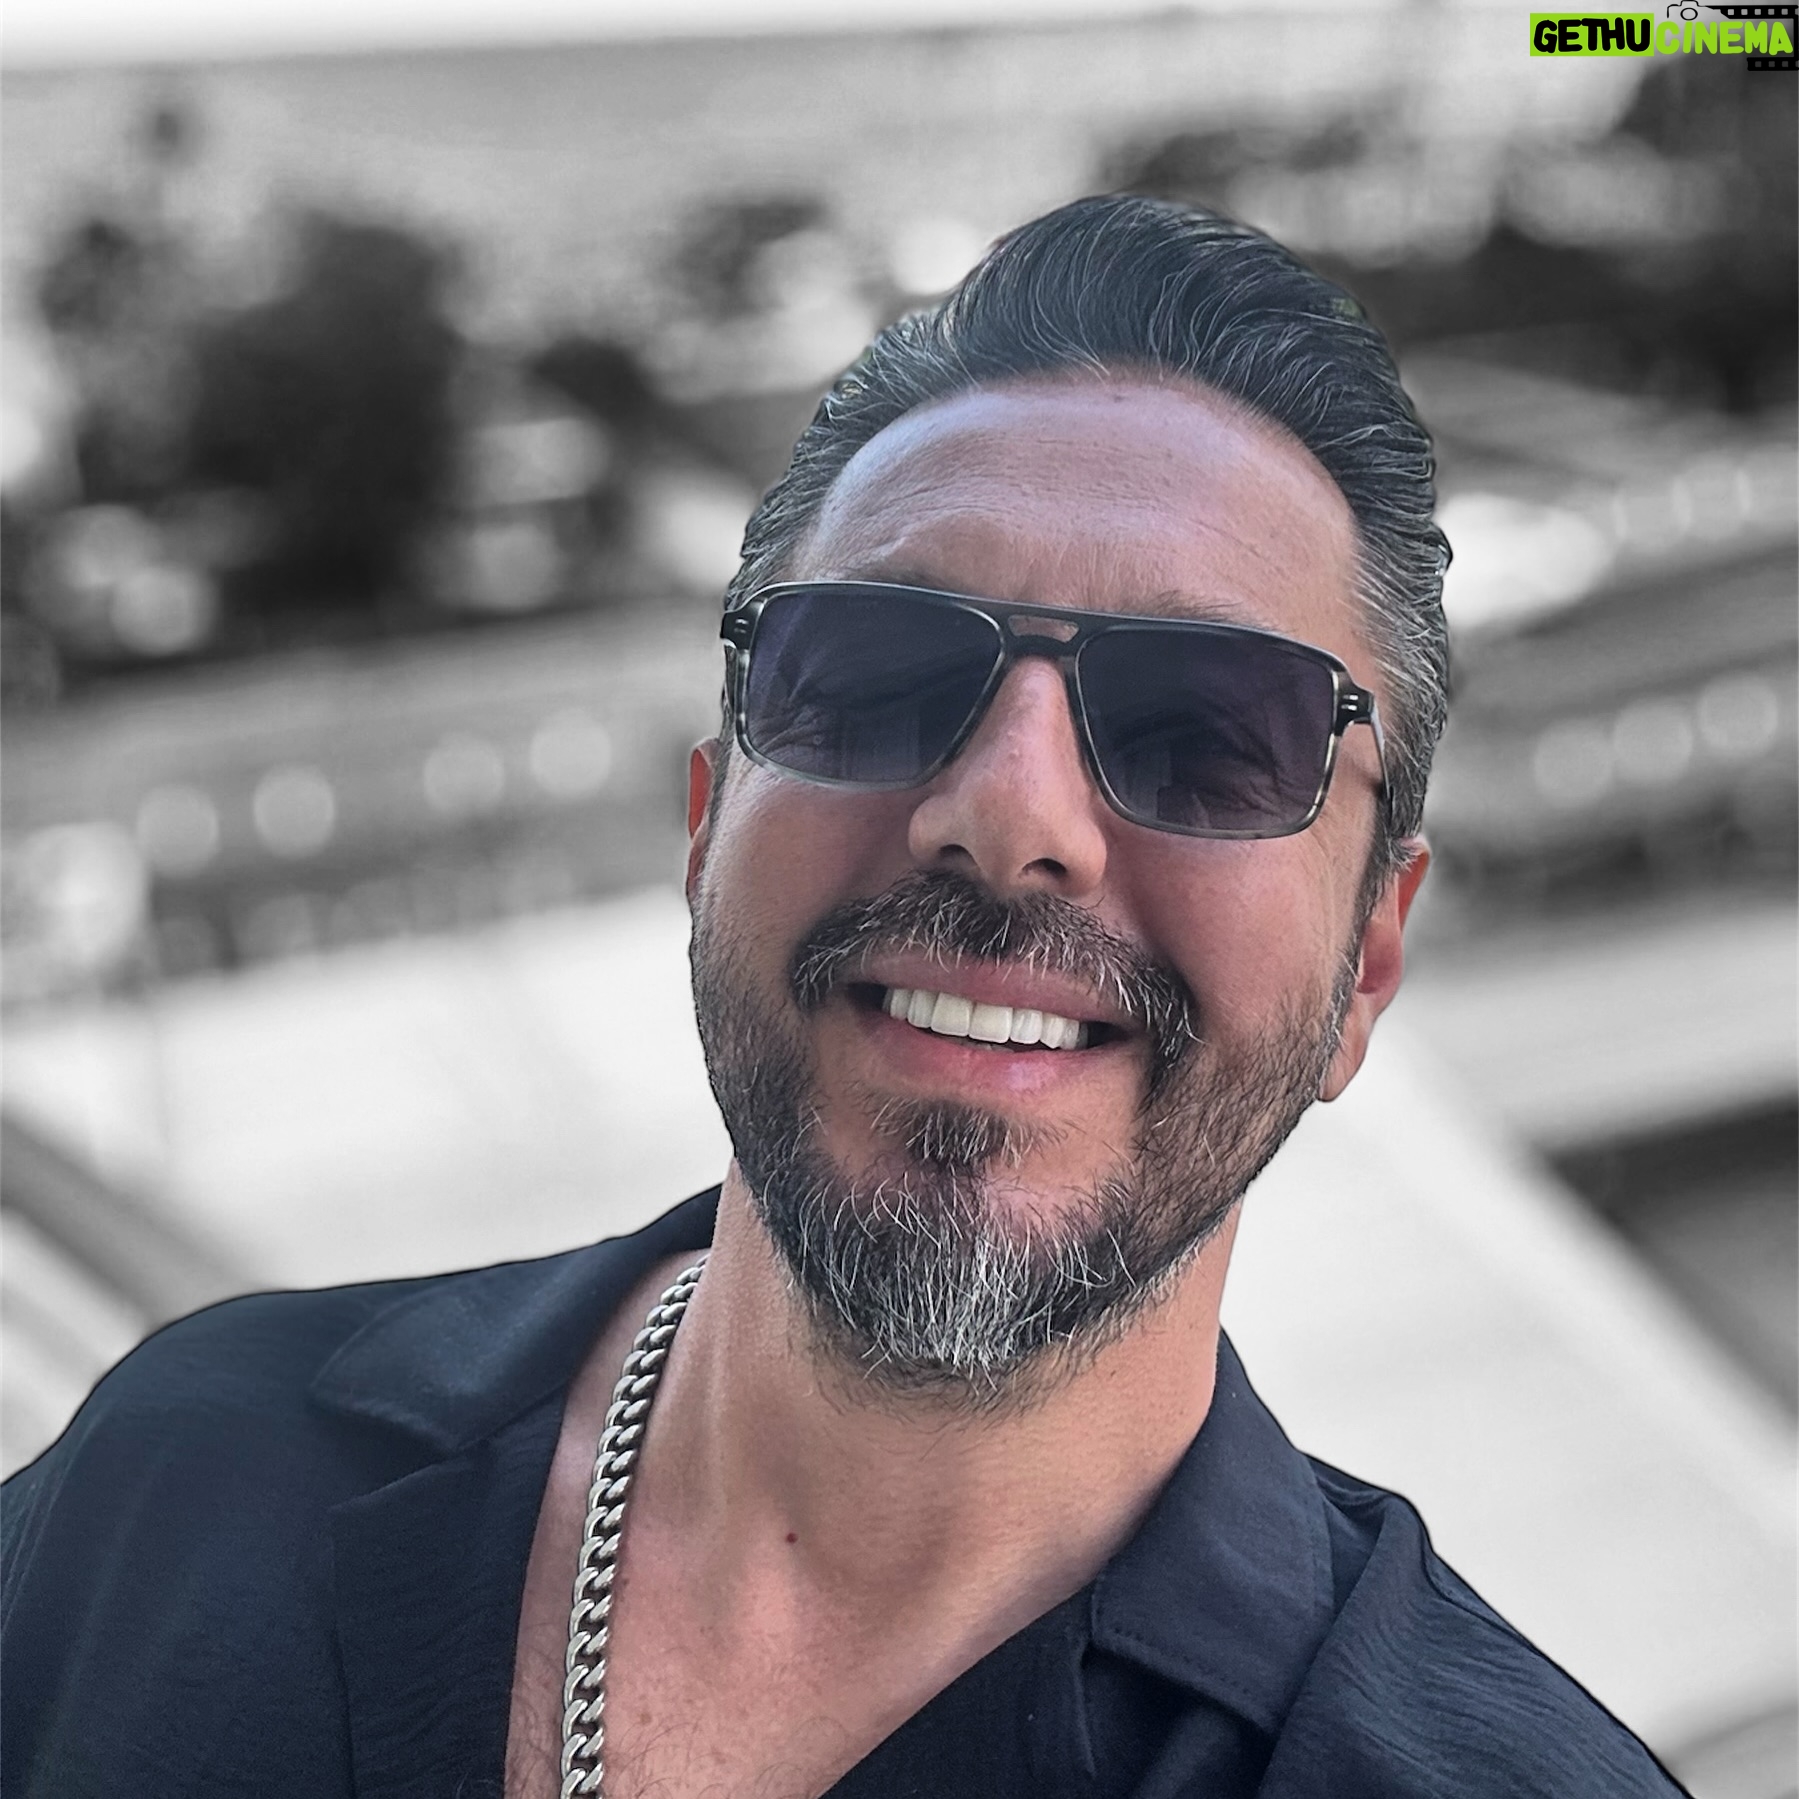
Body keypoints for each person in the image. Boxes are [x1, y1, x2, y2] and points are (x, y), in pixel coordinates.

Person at [2, 195, 1687, 1799]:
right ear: (704, 829)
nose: (1008, 814)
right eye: (877, 672)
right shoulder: (174, 1488)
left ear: (1369, 961)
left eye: (1208, 730)